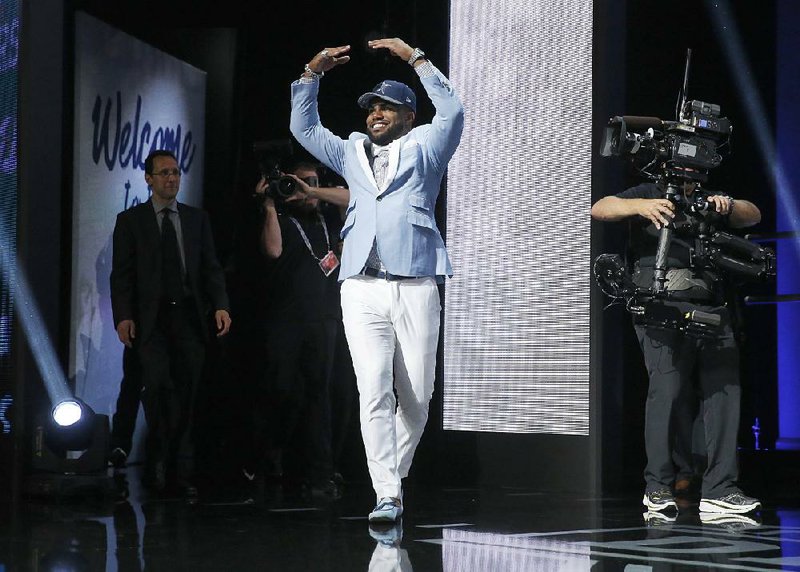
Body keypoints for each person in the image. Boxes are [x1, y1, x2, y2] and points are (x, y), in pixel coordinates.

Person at [290, 37, 464, 522]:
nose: (376, 114)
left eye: (387, 107)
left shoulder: (427, 146)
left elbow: (452, 112)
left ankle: (393, 474)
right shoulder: (349, 152)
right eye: (371, 108)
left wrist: (415, 59)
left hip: (415, 285)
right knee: (373, 388)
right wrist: (311, 71)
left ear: (408, 115)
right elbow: (302, 126)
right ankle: (386, 493)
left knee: (417, 399)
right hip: (360, 286)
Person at [591, 175, 762, 516]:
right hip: (661, 306)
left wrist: (727, 204)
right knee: (667, 391)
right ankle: (657, 486)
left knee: (725, 393)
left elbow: (753, 213)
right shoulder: (649, 192)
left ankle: (720, 489)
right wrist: (640, 207)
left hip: (711, 304)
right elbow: (600, 208)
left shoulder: (708, 197)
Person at [110, 149, 232, 496]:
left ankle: (179, 466)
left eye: (176, 172)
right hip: (152, 320)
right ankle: (156, 462)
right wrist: (124, 316)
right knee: (158, 389)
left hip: (189, 317)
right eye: (164, 173)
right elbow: (122, 276)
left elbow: (210, 267)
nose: (172, 178)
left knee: (187, 391)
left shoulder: (196, 220)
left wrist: (221, 305)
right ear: (148, 179)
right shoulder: (131, 221)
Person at [252, 161, 341, 496]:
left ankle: (321, 472)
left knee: (321, 396)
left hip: (324, 318)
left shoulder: (327, 218)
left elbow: (350, 198)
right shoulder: (284, 219)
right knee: (282, 390)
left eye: (314, 182)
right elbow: (272, 250)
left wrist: (316, 191)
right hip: (286, 320)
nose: (307, 188)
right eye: (301, 183)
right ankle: (271, 458)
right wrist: (270, 205)